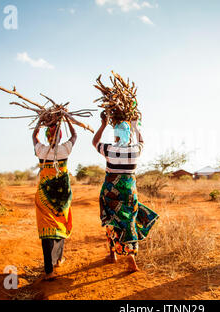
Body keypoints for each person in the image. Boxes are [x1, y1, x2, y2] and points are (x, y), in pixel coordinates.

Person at [92, 112, 159, 272]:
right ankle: (131, 258)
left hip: (111, 193)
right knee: (129, 222)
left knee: (111, 220)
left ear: (115, 135)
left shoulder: (109, 149)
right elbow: (142, 140)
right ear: (128, 135)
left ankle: (112, 254)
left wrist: (103, 124)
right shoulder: (135, 150)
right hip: (129, 192)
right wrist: (135, 126)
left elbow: (95, 142)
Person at [32, 117, 77, 280]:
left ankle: (49, 270)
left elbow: (33, 137)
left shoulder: (41, 150)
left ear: (47, 136)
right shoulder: (65, 149)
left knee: (47, 231)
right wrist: (67, 119)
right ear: (59, 137)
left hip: (45, 195)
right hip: (62, 195)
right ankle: (58, 259)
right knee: (60, 224)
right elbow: (75, 135)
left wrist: (39, 124)